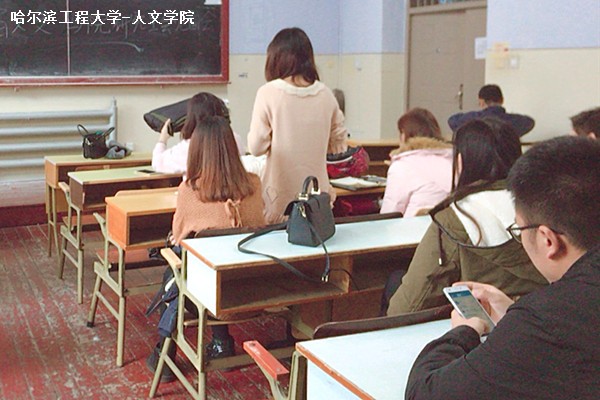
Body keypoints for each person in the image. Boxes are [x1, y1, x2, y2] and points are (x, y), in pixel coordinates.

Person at [406, 136, 600, 400]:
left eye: (519, 229)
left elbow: (425, 393)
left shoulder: (547, 320)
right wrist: (513, 314)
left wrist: (464, 331)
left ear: (548, 240)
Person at [384, 117, 547, 316]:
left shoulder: (456, 217)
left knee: (395, 281)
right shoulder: (549, 208)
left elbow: (406, 308)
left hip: (482, 326)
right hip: (544, 319)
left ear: (460, 161)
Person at [147, 116, 266, 381]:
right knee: (214, 264)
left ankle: (166, 354)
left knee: (175, 273)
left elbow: (178, 238)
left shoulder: (190, 191)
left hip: (210, 298)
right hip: (254, 290)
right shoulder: (253, 184)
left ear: (197, 150)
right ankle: (221, 344)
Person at [247, 27, 348, 224]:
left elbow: (256, 148)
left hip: (278, 198)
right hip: (317, 197)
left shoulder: (268, 93)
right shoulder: (326, 95)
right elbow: (339, 145)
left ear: (275, 59)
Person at [380, 108, 452, 217]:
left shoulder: (402, 166)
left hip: (413, 225)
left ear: (405, 135)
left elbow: (390, 213)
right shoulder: (451, 160)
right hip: (445, 225)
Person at [151, 92, 245, 175]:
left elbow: (158, 163)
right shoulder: (235, 139)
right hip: (231, 189)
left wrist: (162, 139)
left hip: (197, 190)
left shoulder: (189, 146)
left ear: (191, 118)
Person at [448, 84, 535, 137]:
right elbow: (530, 122)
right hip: (506, 161)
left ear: (481, 102)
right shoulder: (515, 121)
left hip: (479, 159)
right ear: (502, 100)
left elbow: (452, 121)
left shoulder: (473, 119)